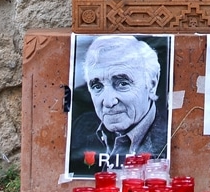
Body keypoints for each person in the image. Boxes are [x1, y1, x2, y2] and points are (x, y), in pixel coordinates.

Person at [69, 35, 168, 171]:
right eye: (97, 86)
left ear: (152, 84)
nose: (108, 102)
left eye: (122, 84)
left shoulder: (173, 139)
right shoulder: (81, 128)